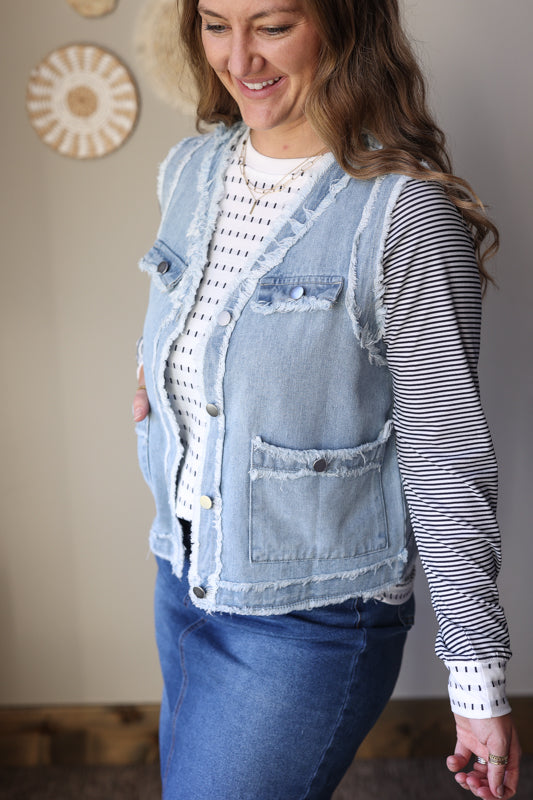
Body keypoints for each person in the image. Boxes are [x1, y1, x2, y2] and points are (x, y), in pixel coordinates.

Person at [133, 1, 521, 797]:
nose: (238, 58)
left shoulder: (406, 216)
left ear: (343, 26)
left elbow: (445, 456)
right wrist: (161, 371)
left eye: (271, 25)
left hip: (310, 624)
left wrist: (475, 684)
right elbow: (201, 322)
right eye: (214, 23)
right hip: (183, 575)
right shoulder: (190, 169)